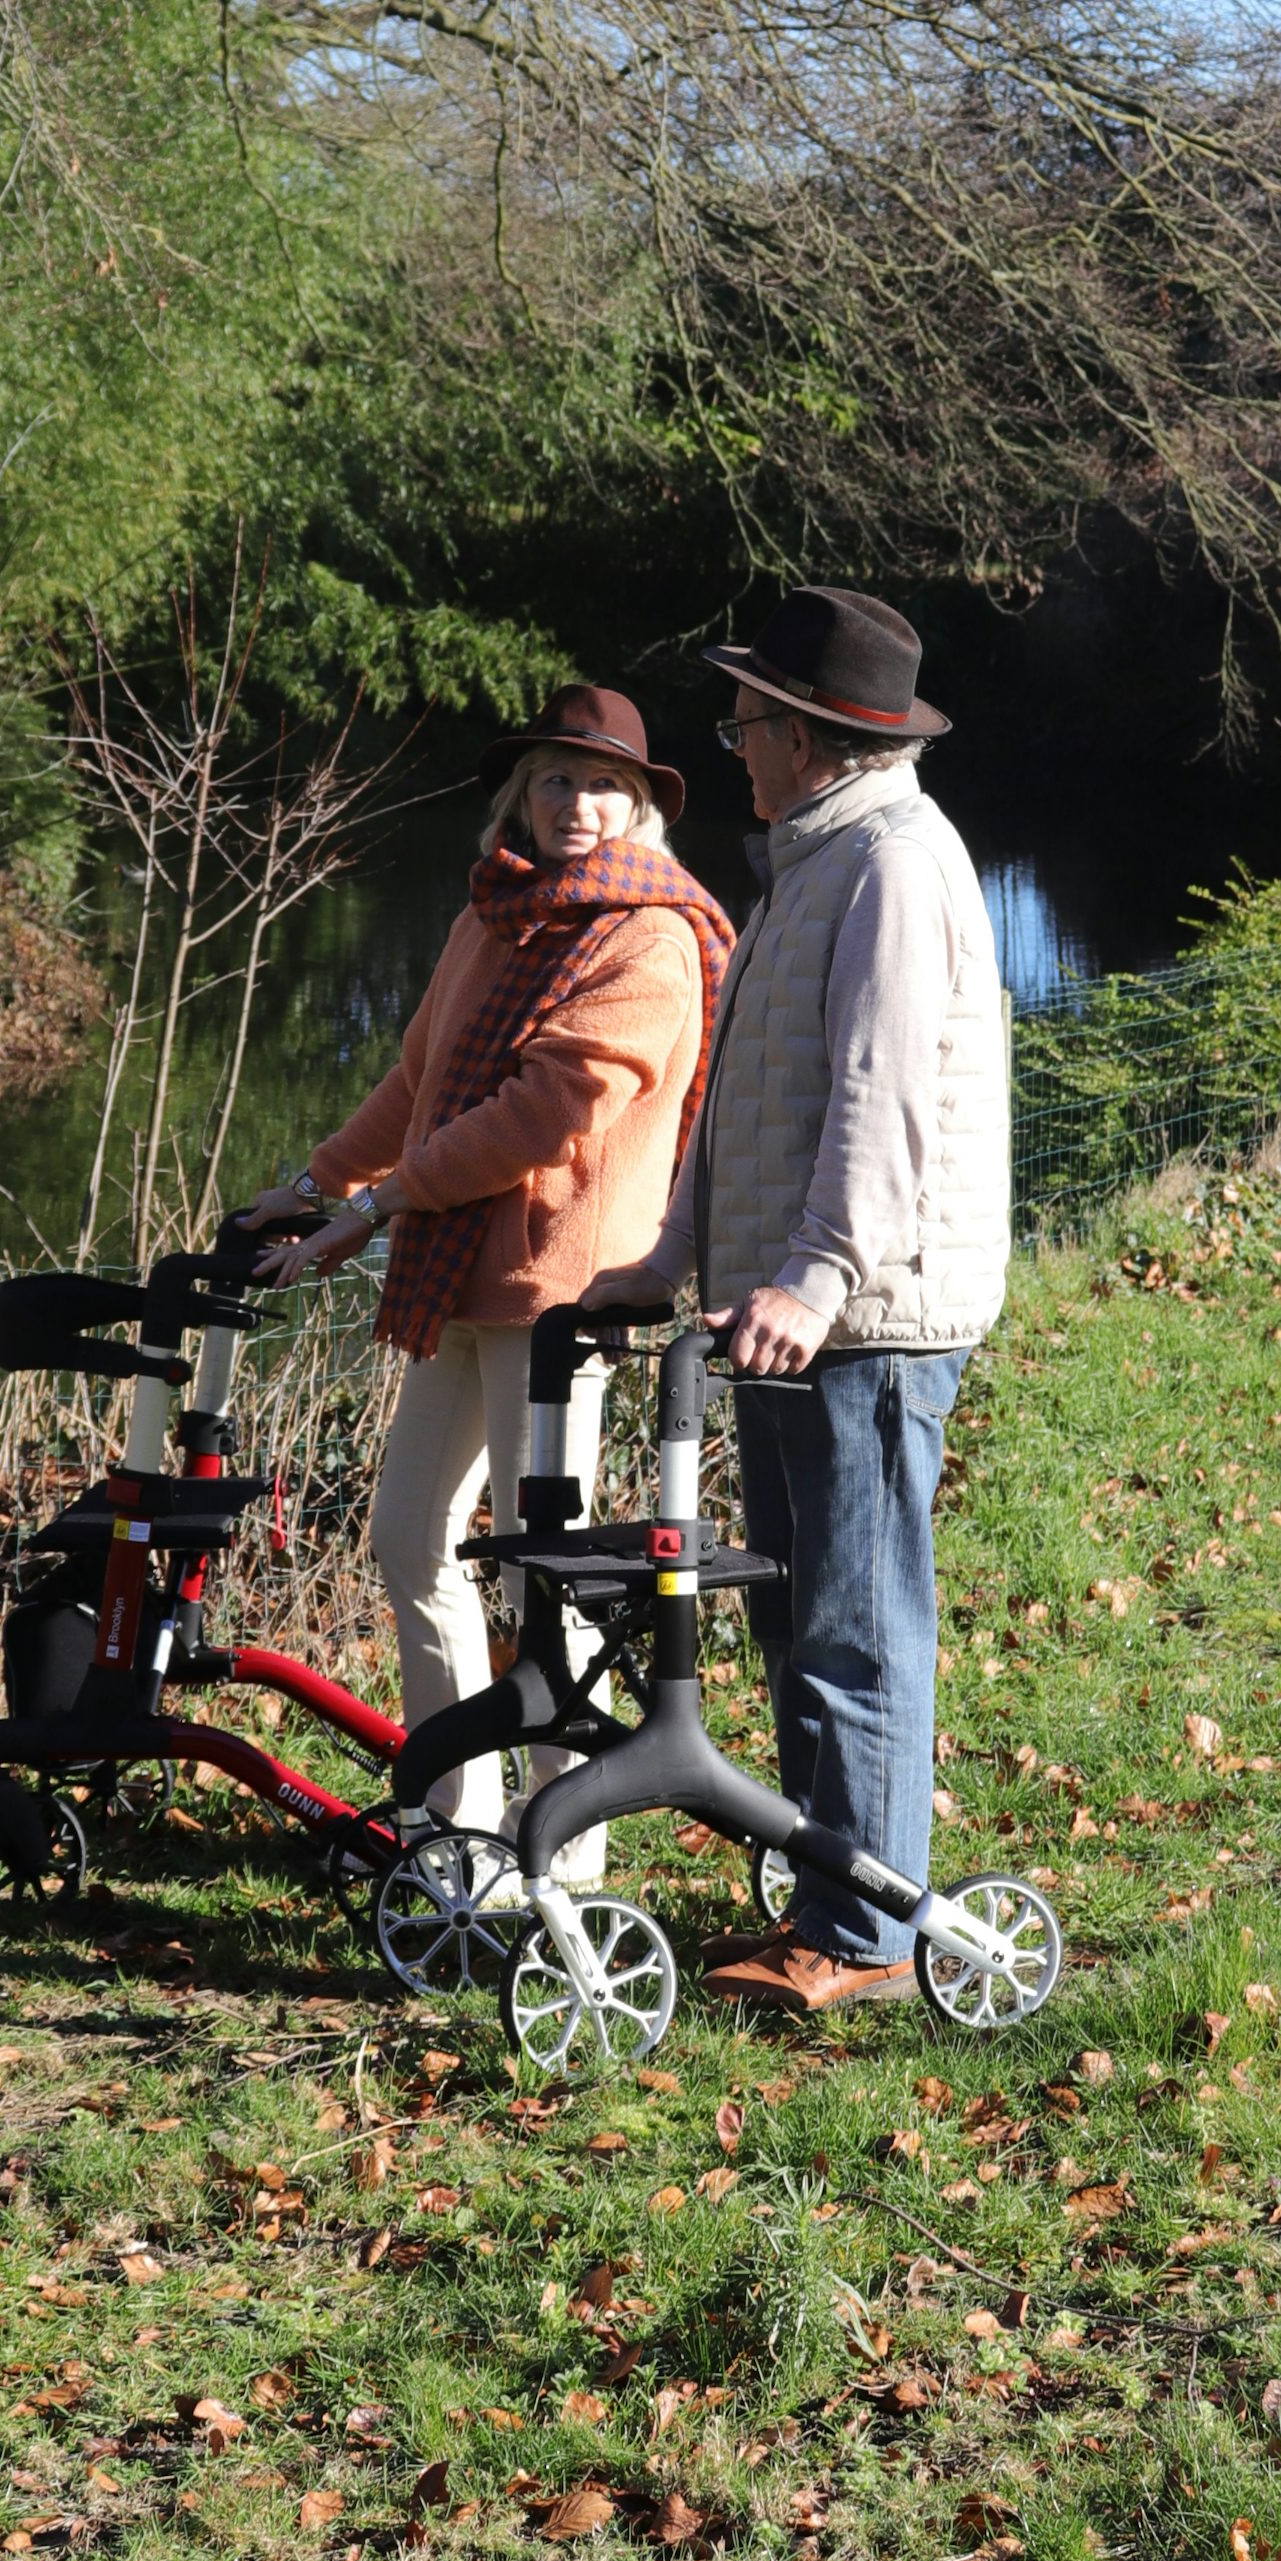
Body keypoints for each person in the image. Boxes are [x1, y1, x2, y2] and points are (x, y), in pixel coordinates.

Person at [588, 588, 1008, 2011]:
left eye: (751, 721)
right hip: (790, 1313)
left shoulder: (894, 865)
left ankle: (866, 1941)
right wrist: (672, 1260)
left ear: (817, 736)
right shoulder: (814, 862)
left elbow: (882, 1100)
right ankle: (836, 1895)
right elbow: (743, 1103)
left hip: (864, 1322)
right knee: (799, 1623)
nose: (737, 746)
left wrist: (821, 1277)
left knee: (855, 1625)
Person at [243, 685, 732, 1863]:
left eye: (604, 784)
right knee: (410, 1538)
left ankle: (566, 1848)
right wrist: (318, 1185)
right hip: (461, 1280)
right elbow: (420, 1083)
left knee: (547, 1582)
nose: (578, 804)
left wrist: (383, 1203)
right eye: (556, 780)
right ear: (521, 794)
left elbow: (542, 1116)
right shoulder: (495, 914)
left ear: (640, 805)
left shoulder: (651, 937)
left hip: (559, 1301)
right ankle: (456, 1823)